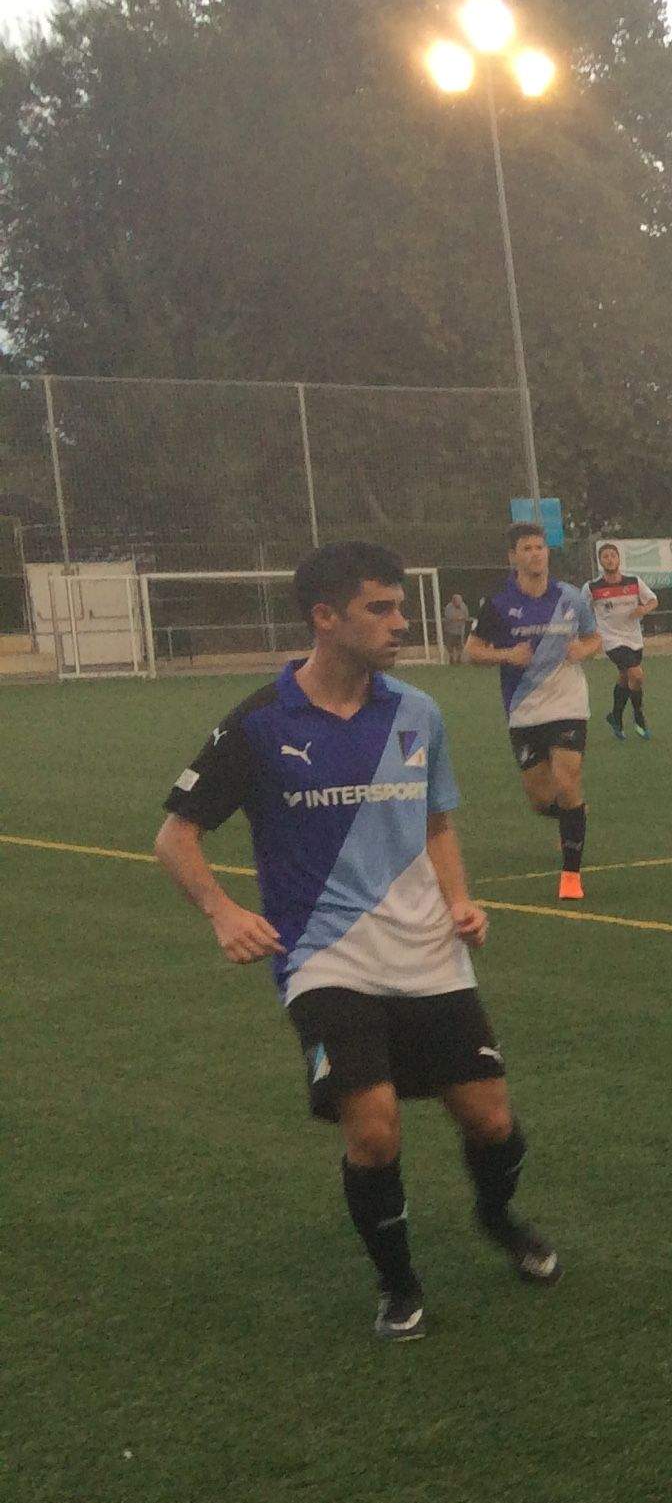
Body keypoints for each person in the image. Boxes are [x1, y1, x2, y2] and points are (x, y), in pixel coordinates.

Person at [152, 539, 561, 1342]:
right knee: (372, 1126)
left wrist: (461, 900)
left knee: (491, 1120)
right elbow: (176, 837)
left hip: (428, 951)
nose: (399, 623)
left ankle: (498, 1217)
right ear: (325, 616)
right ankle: (398, 1282)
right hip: (324, 955)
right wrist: (223, 912)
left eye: (400, 606)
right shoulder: (260, 724)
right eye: (380, 609)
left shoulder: (417, 711)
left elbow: (436, 822)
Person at [463, 520, 602, 900]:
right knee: (541, 798)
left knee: (567, 779)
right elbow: (471, 652)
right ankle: (573, 817)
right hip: (523, 709)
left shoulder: (571, 598)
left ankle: (571, 876)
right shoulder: (498, 605)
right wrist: (507, 654)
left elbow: (594, 639)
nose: (535, 554)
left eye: (540, 547)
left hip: (568, 702)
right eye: (526, 548)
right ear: (513, 557)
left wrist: (583, 650)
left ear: (548, 552)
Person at [587, 540, 659, 738]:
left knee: (625, 677)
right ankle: (638, 716)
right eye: (605, 557)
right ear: (600, 561)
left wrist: (643, 609)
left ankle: (615, 716)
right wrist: (587, 633)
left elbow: (653, 600)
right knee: (636, 675)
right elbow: (580, 610)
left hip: (634, 638)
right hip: (611, 639)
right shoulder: (592, 587)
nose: (609, 560)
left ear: (618, 559)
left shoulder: (633, 582)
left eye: (613, 556)